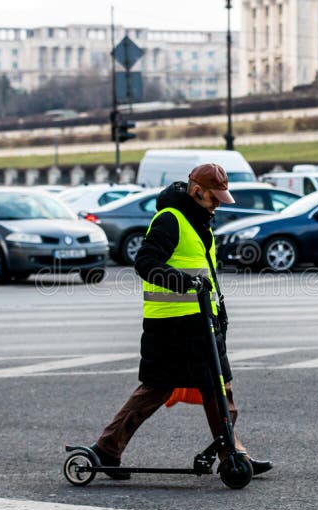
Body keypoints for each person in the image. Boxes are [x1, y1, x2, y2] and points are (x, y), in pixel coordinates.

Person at [89, 163, 273, 480]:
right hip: (172, 324)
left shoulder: (199, 222)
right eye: (213, 198)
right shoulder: (170, 219)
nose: (217, 204)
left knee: (219, 388)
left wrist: (217, 310)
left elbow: (205, 273)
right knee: (159, 389)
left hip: (201, 320)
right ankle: (106, 449)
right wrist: (184, 283)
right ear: (195, 190)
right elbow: (145, 263)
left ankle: (234, 454)